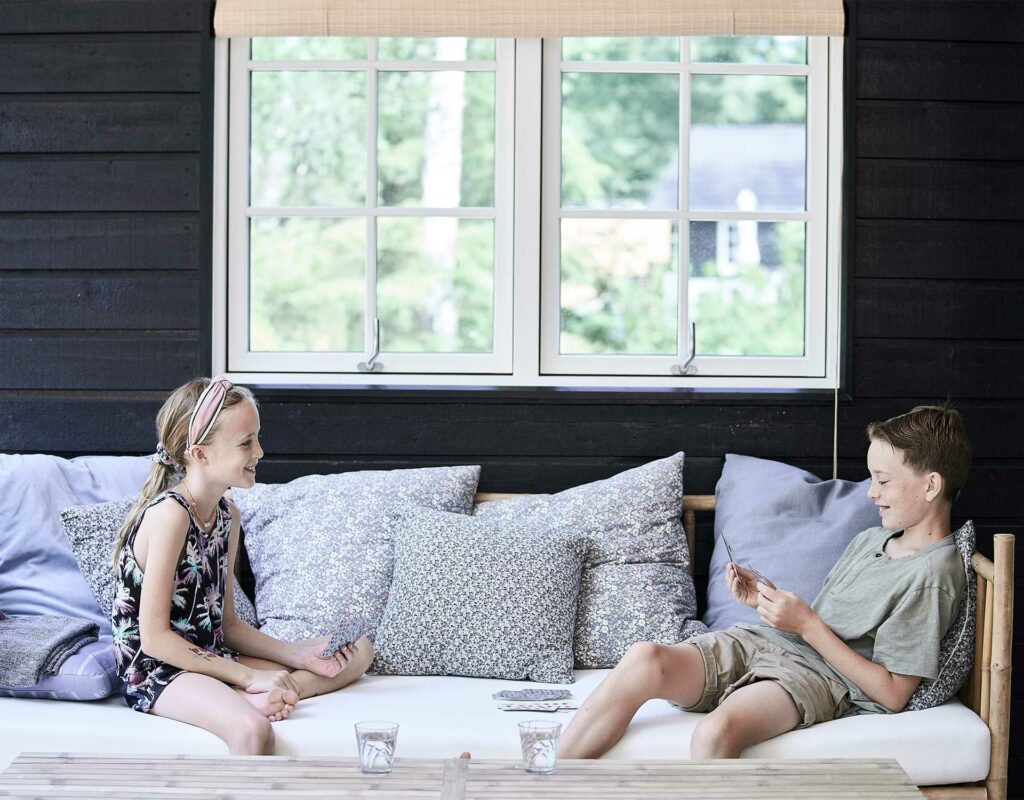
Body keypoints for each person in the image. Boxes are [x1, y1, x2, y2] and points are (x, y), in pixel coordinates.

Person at [559, 404, 971, 759]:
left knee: (714, 734)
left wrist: (806, 625)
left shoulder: (932, 576)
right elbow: (826, 620)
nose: (871, 493)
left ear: (931, 485)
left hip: (821, 678)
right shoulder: (872, 539)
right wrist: (765, 599)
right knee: (645, 659)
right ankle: (548, 782)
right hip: (774, 643)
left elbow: (894, 693)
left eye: (883, 480)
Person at [110, 376, 375, 755]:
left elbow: (228, 625)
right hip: (158, 667)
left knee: (359, 652)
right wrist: (249, 677)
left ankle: (276, 690)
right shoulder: (170, 515)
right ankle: (253, 695)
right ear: (200, 454)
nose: (260, 452)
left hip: (209, 654)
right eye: (246, 443)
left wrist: (297, 654)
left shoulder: (226, 515)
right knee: (253, 731)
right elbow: (155, 640)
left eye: (257, 438)